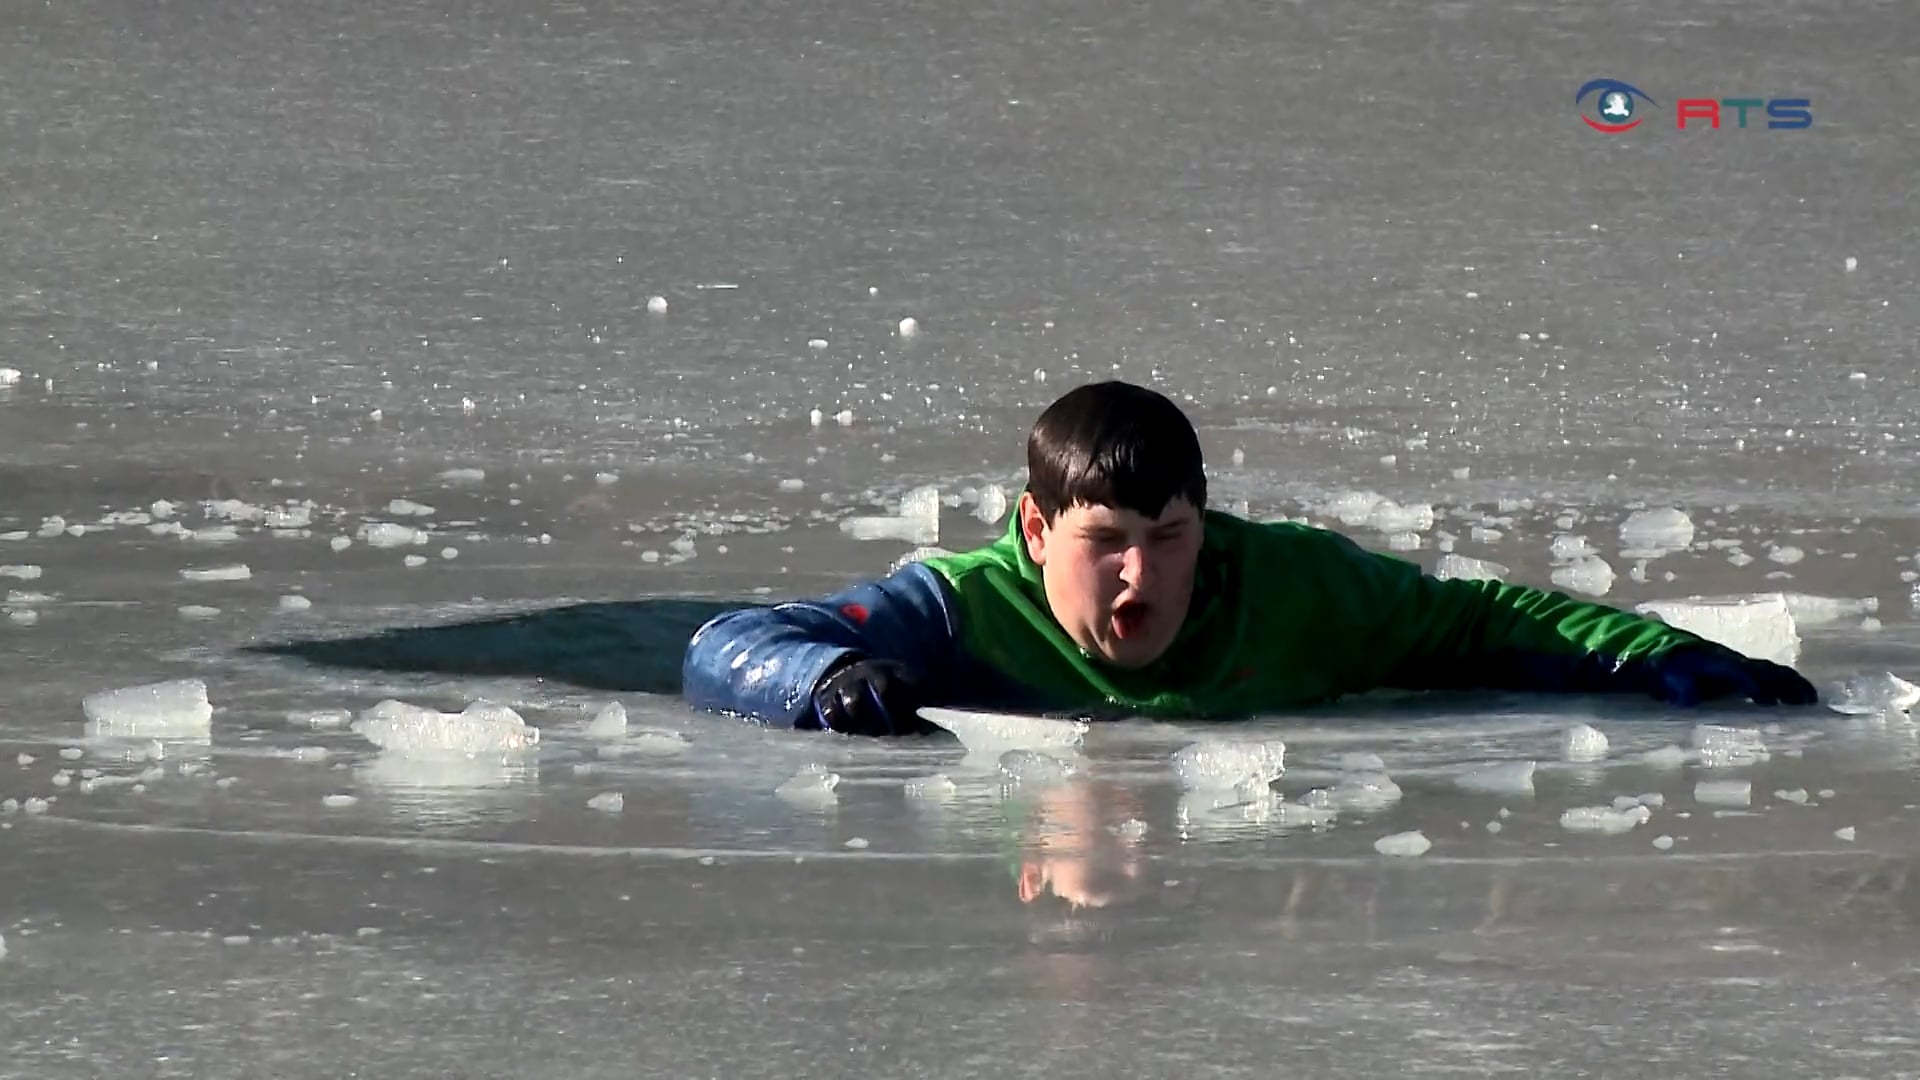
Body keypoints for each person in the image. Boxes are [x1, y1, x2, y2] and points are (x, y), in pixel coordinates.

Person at [682, 380, 1819, 735]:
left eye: (1166, 539)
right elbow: (734, 642)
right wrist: (825, 681)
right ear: (1035, 534)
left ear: (1206, 525)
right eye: (1105, 545)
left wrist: (1660, 657)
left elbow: (1490, 623)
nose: (1141, 578)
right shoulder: (962, 608)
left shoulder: (1294, 588)